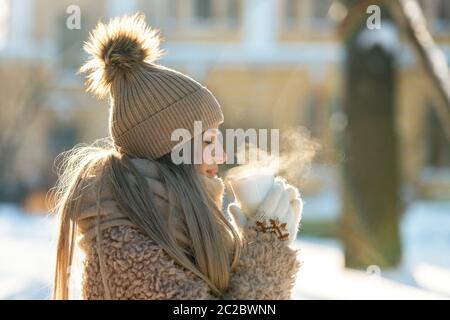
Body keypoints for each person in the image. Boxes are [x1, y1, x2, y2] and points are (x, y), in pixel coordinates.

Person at [51, 13, 302, 300]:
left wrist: (246, 251)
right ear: (169, 151)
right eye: (208, 140)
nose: (221, 154)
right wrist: (268, 254)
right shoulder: (124, 248)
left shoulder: (169, 228)